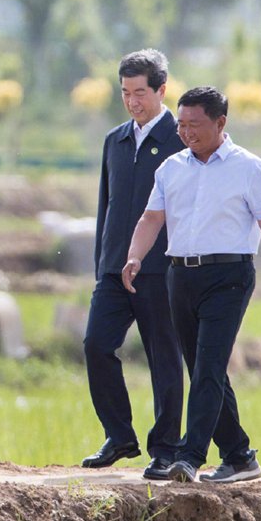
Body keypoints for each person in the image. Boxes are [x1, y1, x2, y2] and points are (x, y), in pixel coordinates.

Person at [123, 86, 261, 483]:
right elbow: (152, 219)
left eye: (195, 125)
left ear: (221, 123)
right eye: (181, 124)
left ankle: (189, 456)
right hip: (180, 275)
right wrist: (135, 256)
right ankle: (239, 455)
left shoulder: (249, 167)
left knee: (208, 368)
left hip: (229, 277)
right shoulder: (171, 168)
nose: (186, 132)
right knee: (205, 369)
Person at [80, 49, 185, 480]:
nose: (132, 101)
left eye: (140, 92)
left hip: (161, 270)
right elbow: (107, 206)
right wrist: (104, 260)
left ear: (162, 90)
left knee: (164, 357)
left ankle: (165, 448)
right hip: (113, 269)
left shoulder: (182, 139)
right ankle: (119, 434)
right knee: (96, 344)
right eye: (125, 93)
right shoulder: (115, 140)